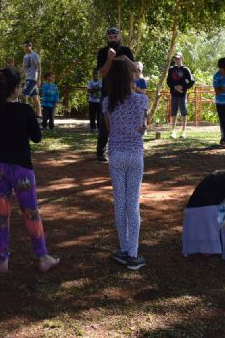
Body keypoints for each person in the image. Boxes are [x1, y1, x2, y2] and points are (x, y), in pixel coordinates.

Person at [0, 67, 60, 273]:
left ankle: (2, 259)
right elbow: (37, 137)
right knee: (31, 212)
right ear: (15, 89)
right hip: (21, 169)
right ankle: (42, 257)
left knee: (1, 213)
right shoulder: (25, 111)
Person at [103, 58, 149, 269]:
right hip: (135, 155)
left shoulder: (107, 102)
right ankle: (133, 253)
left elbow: (110, 129)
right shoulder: (141, 101)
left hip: (116, 155)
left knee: (120, 203)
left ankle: (124, 249)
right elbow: (142, 127)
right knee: (133, 203)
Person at [96, 27, 135, 162]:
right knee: (104, 122)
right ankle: (101, 152)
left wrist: (125, 59)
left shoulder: (126, 51)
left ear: (119, 36)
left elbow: (135, 69)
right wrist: (109, 59)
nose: (113, 39)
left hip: (126, 92)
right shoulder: (102, 52)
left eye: (115, 37)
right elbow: (102, 73)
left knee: (127, 120)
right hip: (108, 92)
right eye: (110, 37)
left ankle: (127, 149)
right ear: (107, 38)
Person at [167, 53, 195, 139]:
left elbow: (192, 81)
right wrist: (175, 87)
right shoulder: (171, 69)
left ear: (182, 59)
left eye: (178, 59)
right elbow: (168, 81)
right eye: (175, 59)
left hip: (182, 95)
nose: (177, 60)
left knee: (183, 112)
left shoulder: (185, 69)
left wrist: (183, 87)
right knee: (173, 112)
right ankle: (173, 131)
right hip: (174, 94)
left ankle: (183, 131)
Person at [21, 41, 42, 119]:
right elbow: (23, 67)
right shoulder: (25, 56)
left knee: (23, 96)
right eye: (24, 46)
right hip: (27, 78)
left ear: (31, 46)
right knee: (35, 97)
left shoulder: (35, 55)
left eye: (27, 46)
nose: (25, 48)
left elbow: (39, 67)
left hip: (33, 79)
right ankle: (39, 114)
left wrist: (39, 79)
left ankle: (25, 114)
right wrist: (19, 76)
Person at [87, 68, 102, 133]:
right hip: (91, 101)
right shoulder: (90, 82)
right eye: (94, 73)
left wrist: (94, 89)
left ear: (99, 74)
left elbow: (101, 89)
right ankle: (92, 127)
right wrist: (97, 89)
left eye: (96, 73)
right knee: (92, 115)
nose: (95, 75)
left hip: (99, 101)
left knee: (99, 115)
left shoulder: (101, 82)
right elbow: (89, 90)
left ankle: (99, 128)